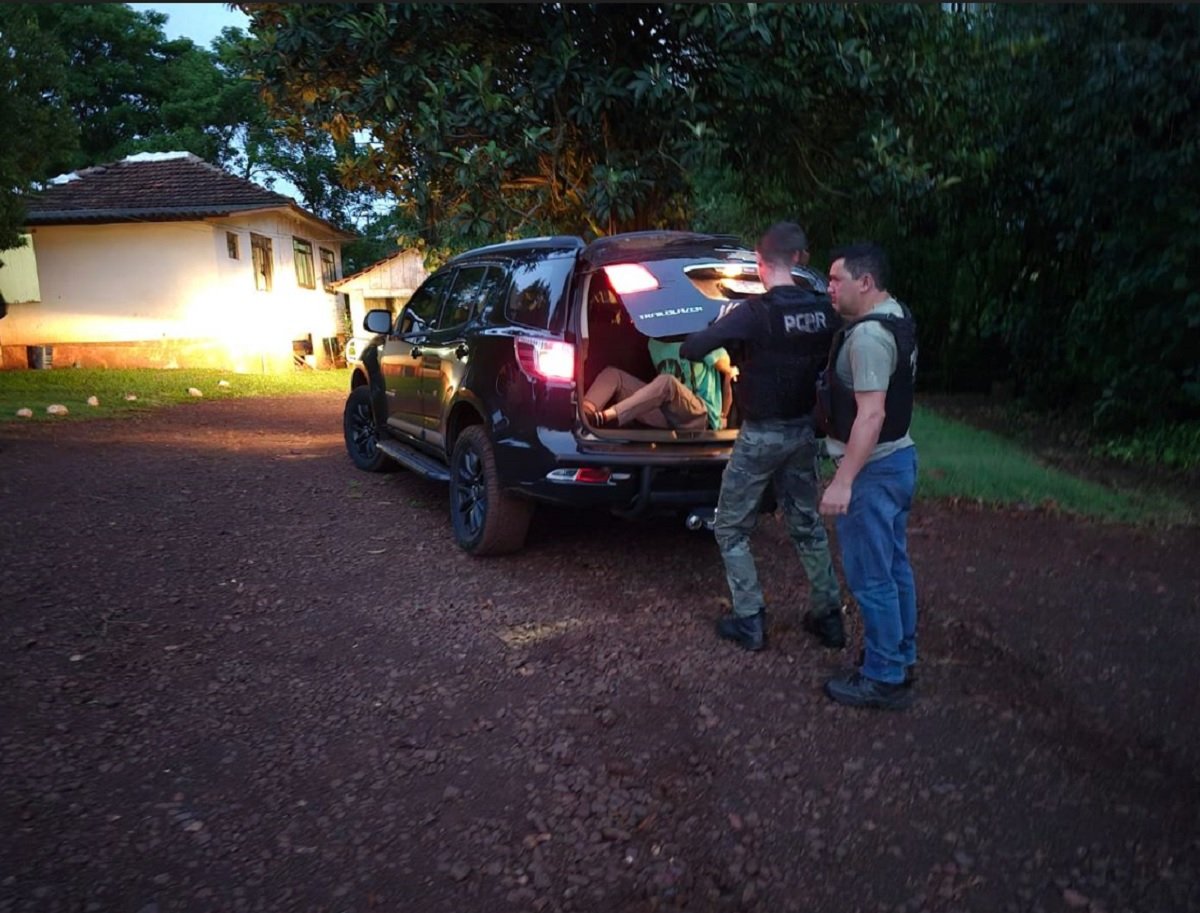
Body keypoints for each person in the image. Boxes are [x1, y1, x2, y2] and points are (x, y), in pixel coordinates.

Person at [680, 221, 845, 652]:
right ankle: (829, 618)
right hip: (804, 433)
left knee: (730, 528)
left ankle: (749, 618)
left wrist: (727, 328)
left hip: (761, 437)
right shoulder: (824, 311)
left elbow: (692, 348)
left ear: (760, 262)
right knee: (806, 524)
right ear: (799, 258)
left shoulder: (755, 313)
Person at [818, 242, 919, 710]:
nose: (829, 288)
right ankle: (901, 655)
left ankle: (883, 676)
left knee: (871, 577)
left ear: (865, 282)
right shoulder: (897, 315)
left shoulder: (868, 338)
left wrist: (844, 480)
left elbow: (872, 415)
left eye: (836, 279)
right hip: (898, 460)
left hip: (873, 470)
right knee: (894, 568)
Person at [583, 339, 735, 431]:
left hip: (699, 417)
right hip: (667, 416)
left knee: (667, 382)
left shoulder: (702, 340)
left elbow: (729, 374)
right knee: (612, 374)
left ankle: (607, 416)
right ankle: (583, 415)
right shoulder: (654, 343)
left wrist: (722, 416)